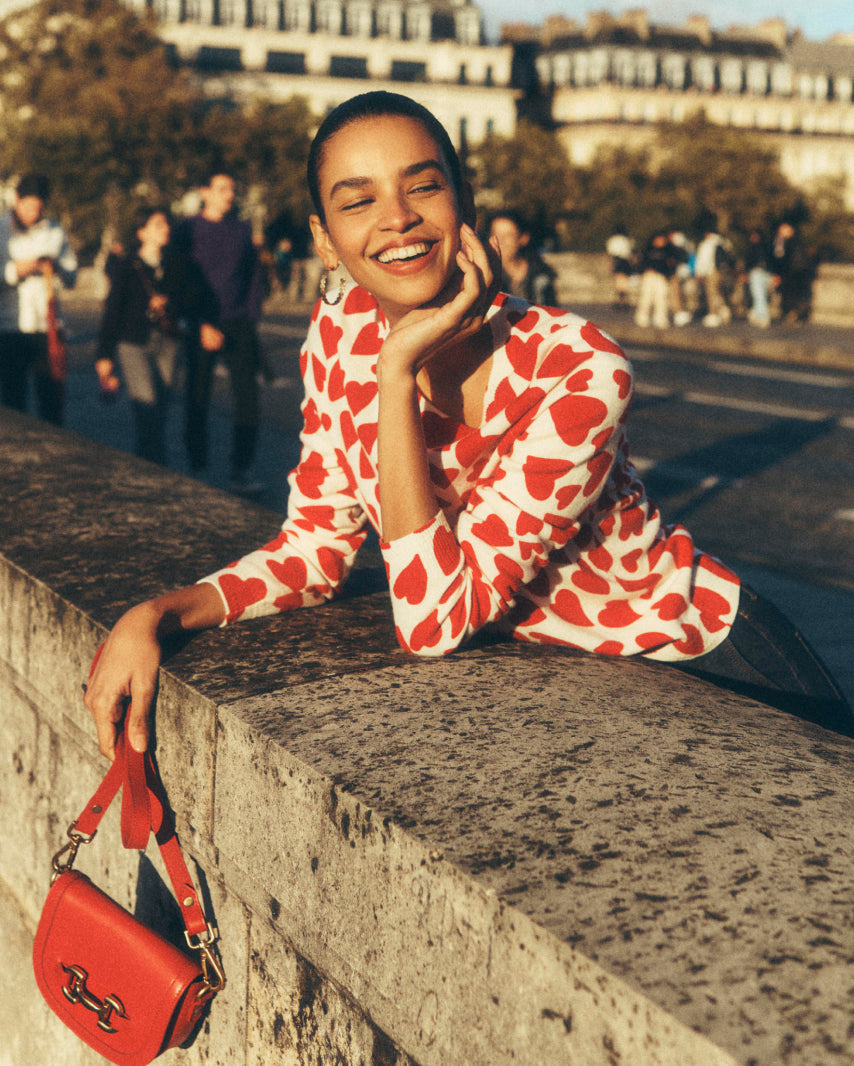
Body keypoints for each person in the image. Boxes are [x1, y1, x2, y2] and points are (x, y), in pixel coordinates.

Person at [84, 91, 851, 761]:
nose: (398, 219)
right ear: (324, 240)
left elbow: (433, 620)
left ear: (465, 204)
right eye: (358, 202)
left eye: (424, 187)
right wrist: (158, 614)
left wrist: (394, 375)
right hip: (572, 688)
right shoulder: (337, 333)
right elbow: (315, 552)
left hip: (709, 659)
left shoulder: (579, 369)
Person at [171, 171, 267, 492]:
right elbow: (180, 277)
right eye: (222, 189)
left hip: (238, 323)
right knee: (197, 397)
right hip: (202, 323)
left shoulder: (240, 230)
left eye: (232, 189)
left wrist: (251, 316)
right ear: (205, 191)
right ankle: (197, 467)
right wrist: (198, 322)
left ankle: (242, 470)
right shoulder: (187, 229)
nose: (230, 195)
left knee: (249, 398)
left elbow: (254, 275)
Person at [95, 206, 202, 465]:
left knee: (160, 410)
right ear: (142, 233)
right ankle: (157, 467)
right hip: (133, 343)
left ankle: (145, 464)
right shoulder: (127, 266)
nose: (165, 229)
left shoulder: (177, 263)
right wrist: (104, 355)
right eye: (157, 225)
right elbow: (113, 311)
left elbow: (192, 298)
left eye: (166, 225)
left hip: (168, 342)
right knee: (146, 405)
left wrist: (170, 303)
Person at [0, 174, 77, 425]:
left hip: (48, 326)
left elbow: (71, 275)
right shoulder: (1, 230)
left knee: (52, 399)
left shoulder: (54, 230)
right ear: (17, 201)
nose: (33, 213)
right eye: (28, 206)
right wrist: (17, 270)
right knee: (13, 400)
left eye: (38, 207)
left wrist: (57, 267)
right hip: (11, 327)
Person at [487, 211, 557, 306]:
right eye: (495, 235)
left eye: (508, 235)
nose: (500, 241)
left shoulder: (541, 276)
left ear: (523, 238)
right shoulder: (486, 275)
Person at [694, 212, 733, 328]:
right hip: (723, 270)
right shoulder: (723, 242)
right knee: (719, 292)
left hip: (711, 271)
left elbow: (703, 260)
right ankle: (724, 310)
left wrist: (699, 272)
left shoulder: (707, 244)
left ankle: (714, 314)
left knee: (711, 293)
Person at [633, 231, 676, 329]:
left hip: (661, 277)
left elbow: (671, 264)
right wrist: (643, 271)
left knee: (662, 298)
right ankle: (642, 317)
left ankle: (660, 319)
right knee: (646, 297)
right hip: (649, 276)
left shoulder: (668, 251)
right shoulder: (648, 251)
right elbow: (641, 263)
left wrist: (668, 274)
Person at [743, 228, 773, 329]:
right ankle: (757, 315)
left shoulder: (753, 247)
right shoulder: (767, 246)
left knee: (758, 294)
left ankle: (762, 316)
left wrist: (746, 272)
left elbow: (749, 260)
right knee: (761, 294)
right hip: (765, 272)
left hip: (756, 272)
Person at [605, 226, 634, 308]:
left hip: (617, 260)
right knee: (623, 281)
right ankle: (623, 300)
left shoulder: (613, 240)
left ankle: (621, 300)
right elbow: (630, 253)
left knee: (619, 281)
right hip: (625, 261)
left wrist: (610, 264)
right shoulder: (627, 240)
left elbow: (610, 253)